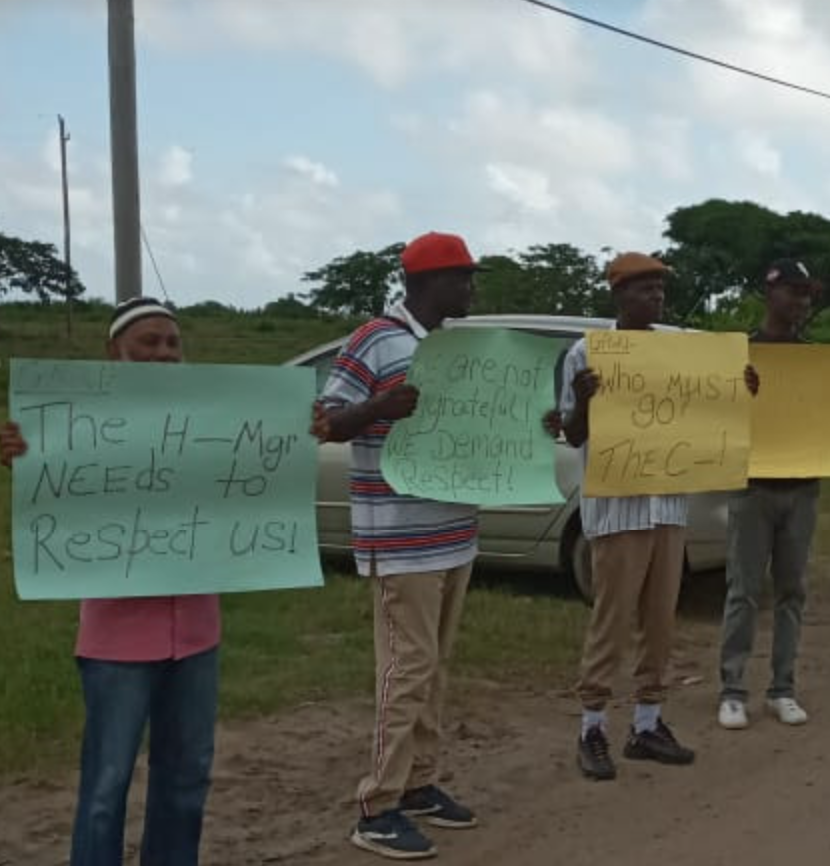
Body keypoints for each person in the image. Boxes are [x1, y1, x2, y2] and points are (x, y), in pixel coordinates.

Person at [0, 298, 324, 866]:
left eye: (173, 343)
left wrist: (301, 430)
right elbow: (56, 487)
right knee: (105, 787)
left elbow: (254, 471)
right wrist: (23, 456)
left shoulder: (212, 422)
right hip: (115, 642)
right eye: (149, 341)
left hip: (197, 634)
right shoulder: (76, 425)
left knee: (186, 779)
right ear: (114, 353)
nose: (164, 353)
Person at [321, 232, 487, 860]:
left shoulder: (459, 347)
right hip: (401, 539)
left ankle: (419, 783)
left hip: (453, 533)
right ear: (424, 282)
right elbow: (326, 421)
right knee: (406, 668)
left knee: (434, 669)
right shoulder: (374, 340)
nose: (471, 289)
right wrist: (384, 405)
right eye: (463, 277)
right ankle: (377, 805)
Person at [562, 252, 758, 776]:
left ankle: (647, 722)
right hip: (616, 510)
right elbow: (572, 435)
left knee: (660, 621)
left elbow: (704, 412)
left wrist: (738, 391)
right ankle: (592, 728)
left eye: (660, 290)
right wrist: (583, 405)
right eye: (644, 289)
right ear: (618, 295)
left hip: (666, 507)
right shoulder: (588, 353)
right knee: (611, 622)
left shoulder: (678, 354)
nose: (656, 298)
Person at [718, 259, 822, 730]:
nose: (800, 302)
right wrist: (738, 392)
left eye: (806, 294)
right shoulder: (740, 355)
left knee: (791, 591)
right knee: (744, 590)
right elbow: (715, 415)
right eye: (793, 292)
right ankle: (732, 690)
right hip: (752, 486)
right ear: (769, 293)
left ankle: (783, 688)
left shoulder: (816, 359)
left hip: (801, 489)